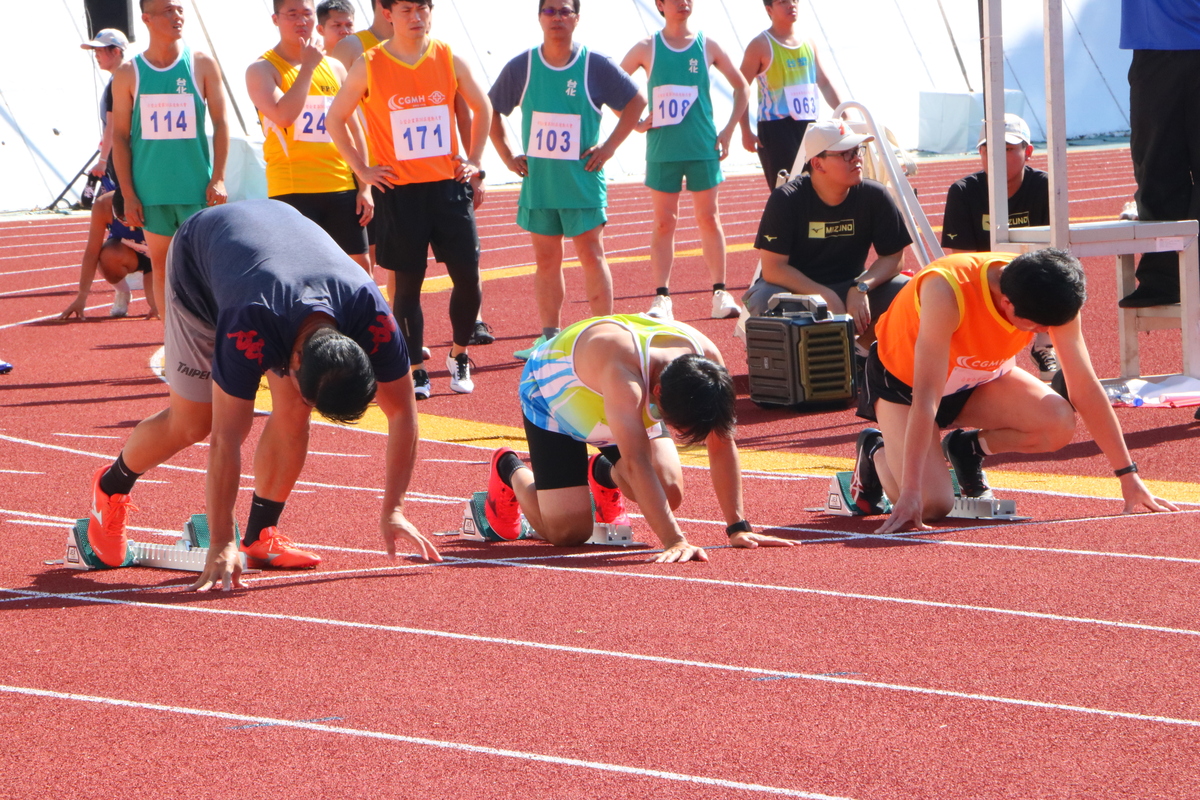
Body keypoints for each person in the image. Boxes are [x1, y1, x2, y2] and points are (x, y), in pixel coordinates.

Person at [81, 200, 441, 590]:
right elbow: (226, 438)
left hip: (277, 253)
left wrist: (395, 508)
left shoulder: (373, 316)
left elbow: (403, 413)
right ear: (297, 357)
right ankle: (111, 486)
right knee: (194, 423)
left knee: (295, 407)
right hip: (201, 260)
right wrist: (220, 542)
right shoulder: (247, 327)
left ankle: (260, 533)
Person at [850, 249, 1177, 534]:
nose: (1046, 334)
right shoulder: (946, 290)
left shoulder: (1052, 291)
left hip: (978, 380)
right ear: (1006, 303)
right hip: (907, 387)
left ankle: (966, 448)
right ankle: (876, 450)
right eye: (1037, 328)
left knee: (1058, 423)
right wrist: (909, 492)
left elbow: (1085, 387)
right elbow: (926, 398)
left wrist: (1128, 476)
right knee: (932, 503)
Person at [485, 314, 795, 562]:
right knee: (567, 532)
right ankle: (508, 469)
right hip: (554, 399)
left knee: (669, 493)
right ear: (657, 393)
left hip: (620, 408)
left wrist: (738, 528)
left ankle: (603, 473)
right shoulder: (623, 373)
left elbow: (721, 441)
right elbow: (636, 461)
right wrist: (674, 540)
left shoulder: (708, 362)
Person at [327, 0, 492, 399]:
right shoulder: (370, 63)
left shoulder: (448, 56)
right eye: (406, 10)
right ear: (388, 14)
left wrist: (474, 159)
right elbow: (335, 117)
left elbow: (483, 106)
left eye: (423, 8)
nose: (416, 18)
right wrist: (362, 169)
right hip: (400, 193)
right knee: (408, 286)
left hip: (448, 187)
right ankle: (417, 368)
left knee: (468, 279)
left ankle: (458, 353)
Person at [488, 0, 646, 360]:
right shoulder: (523, 66)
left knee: (592, 254)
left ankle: (605, 334)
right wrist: (507, 155)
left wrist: (607, 148)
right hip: (540, 183)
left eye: (564, 11)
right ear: (539, 17)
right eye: (550, 11)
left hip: (582, 180)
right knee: (546, 261)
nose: (557, 17)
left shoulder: (595, 64)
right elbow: (490, 110)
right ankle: (548, 338)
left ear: (577, 18)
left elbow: (637, 103)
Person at [620, 0, 749, 322]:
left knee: (709, 218)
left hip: (702, 146)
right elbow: (609, 86)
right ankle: (662, 298)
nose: (683, 2)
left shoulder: (708, 45)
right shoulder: (646, 47)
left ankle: (720, 293)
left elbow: (742, 87)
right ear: (660, 4)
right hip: (663, 148)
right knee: (665, 222)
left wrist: (729, 130)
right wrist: (634, 123)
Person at [742, 119, 911, 353]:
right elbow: (773, 269)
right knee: (765, 300)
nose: (857, 158)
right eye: (845, 154)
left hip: (851, 286)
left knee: (910, 291)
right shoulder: (786, 199)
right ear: (818, 164)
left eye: (857, 151)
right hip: (797, 290)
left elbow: (894, 258)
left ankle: (860, 355)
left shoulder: (875, 195)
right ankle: (801, 366)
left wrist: (860, 287)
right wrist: (823, 295)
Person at [109, 0, 229, 318]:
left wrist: (218, 176)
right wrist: (129, 193)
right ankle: (171, 342)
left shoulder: (201, 63)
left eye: (179, 9)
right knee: (161, 268)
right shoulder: (127, 73)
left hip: (196, 189)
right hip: (152, 192)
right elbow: (119, 137)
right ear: (146, 19)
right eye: (167, 11)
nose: (177, 16)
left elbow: (220, 122)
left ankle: (210, 341)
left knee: (203, 268)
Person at [247, 0, 373, 272]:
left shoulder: (336, 68)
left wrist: (364, 185)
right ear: (275, 19)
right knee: (303, 271)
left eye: (306, 13)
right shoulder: (261, 70)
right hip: (293, 188)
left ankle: (358, 316)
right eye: (292, 14)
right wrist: (307, 68)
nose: (300, 21)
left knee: (359, 267)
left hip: (340, 184)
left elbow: (354, 128)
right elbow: (284, 116)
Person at [940, 113, 1056, 381]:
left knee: (1063, 276)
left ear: (1028, 151)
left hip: (1033, 276)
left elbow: (1054, 250)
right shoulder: (963, 192)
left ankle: (1044, 344)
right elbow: (962, 259)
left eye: (1007, 149)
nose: (996, 156)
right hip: (986, 279)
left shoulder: (1044, 186)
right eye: (988, 149)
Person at [1117, 1, 1200, 308]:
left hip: (1157, 43)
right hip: (1154, 48)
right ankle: (1164, 278)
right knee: (1155, 167)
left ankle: (1179, 274)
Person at [738, 0, 842, 190]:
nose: (791, 5)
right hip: (776, 128)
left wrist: (844, 112)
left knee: (816, 189)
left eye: (794, 0)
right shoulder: (760, 45)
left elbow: (824, 83)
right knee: (786, 192)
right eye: (783, 2)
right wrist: (745, 130)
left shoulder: (809, 42)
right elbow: (741, 88)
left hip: (809, 126)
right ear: (769, 9)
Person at [59, 189, 157, 320]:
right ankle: (122, 291)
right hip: (127, 252)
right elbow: (92, 251)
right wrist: (81, 297)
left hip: (159, 255)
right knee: (108, 256)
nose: (129, 226)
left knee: (159, 306)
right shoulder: (103, 205)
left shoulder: (157, 203)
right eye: (122, 220)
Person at [80, 28, 131, 190]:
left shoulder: (118, 82)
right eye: (95, 51)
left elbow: (113, 124)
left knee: (112, 209)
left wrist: (102, 161)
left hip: (120, 158)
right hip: (123, 156)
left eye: (100, 51)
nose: (96, 56)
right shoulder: (124, 79)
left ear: (116, 51)